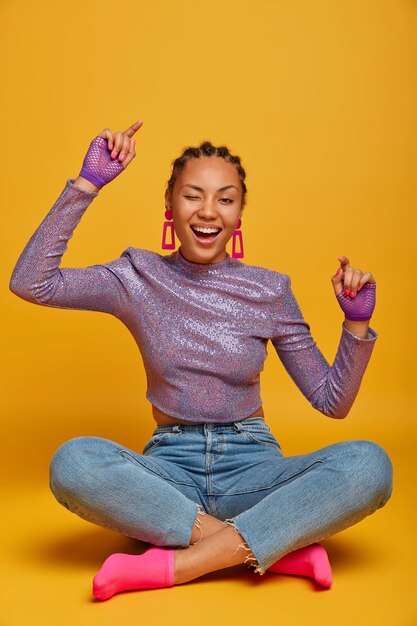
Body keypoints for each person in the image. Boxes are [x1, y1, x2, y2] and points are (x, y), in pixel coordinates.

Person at [9, 119, 393, 601]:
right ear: (170, 206)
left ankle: (182, 564)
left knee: (368, 466)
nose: (208, 211)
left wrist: (355, 326)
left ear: (239, 216)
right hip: (169, 476)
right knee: (73, 463)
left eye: (225, 199)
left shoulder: (268, 289)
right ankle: (272, 548)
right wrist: (88, 185)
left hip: (254, 470)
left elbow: (330, 402)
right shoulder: (136, 275)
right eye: (193, 195)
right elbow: (30, 282)